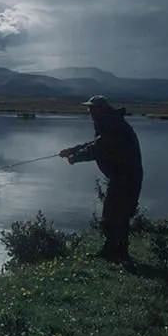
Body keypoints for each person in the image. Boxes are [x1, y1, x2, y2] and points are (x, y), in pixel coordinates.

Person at [59, 95, 143, 265]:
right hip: (126, 175)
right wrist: (71, 150)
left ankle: (111, 253)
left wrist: (75, 158)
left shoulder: (112, 126)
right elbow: (95, 144)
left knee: (111, 215)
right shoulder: (111, 123)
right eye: (88, 108)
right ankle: (120, 253)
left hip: (125, 176)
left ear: (102, 109)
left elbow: (97, 149)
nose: (89, 112)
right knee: (120, 214)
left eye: (92, 108)